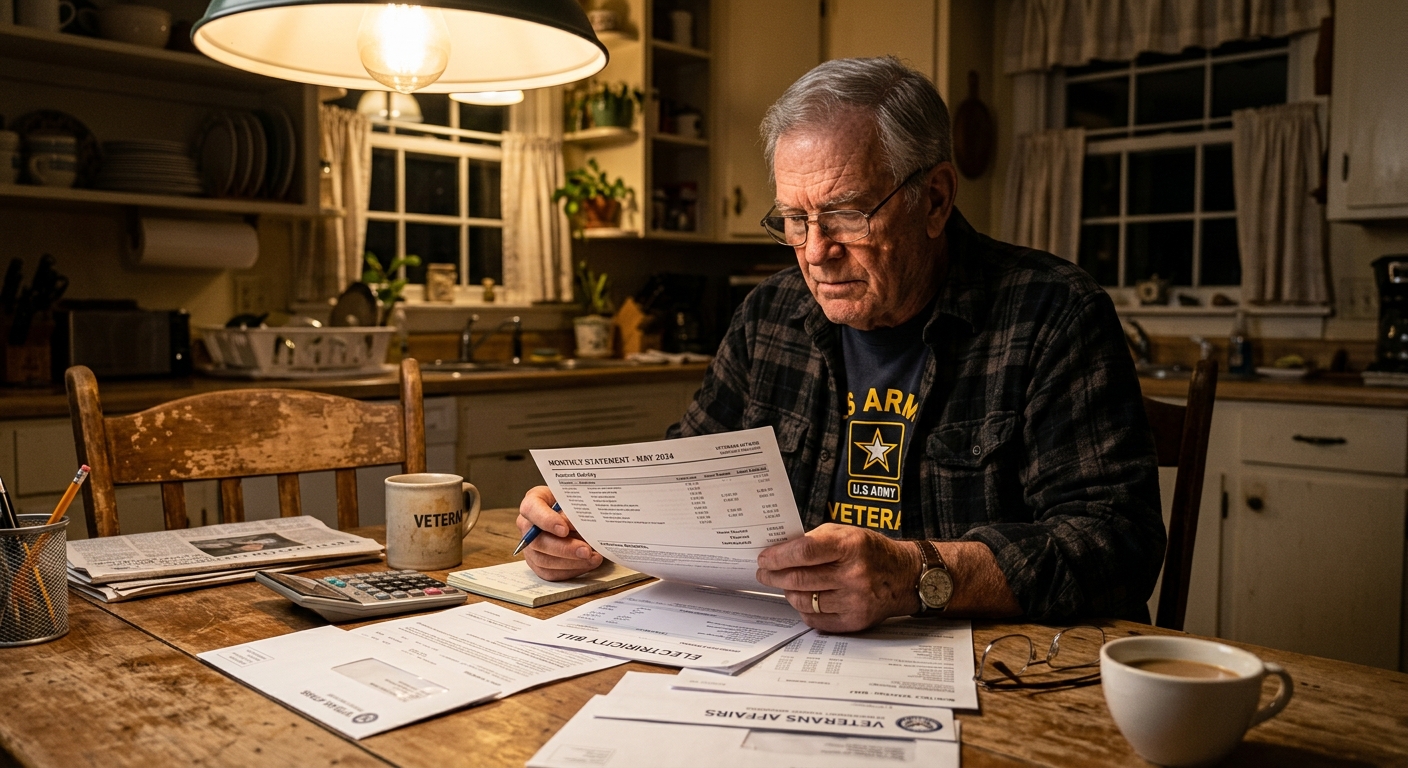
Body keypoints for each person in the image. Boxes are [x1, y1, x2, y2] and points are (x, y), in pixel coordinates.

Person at [517, 56, 1165, 633]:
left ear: (934, 198)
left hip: (1001, 672)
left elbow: (1115, 546)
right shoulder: (770, 315)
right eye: (795, 219)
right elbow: (687, 472)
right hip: (784, 653)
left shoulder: (1051, 312)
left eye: (848, 213)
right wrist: (584, 521)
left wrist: (914, 576)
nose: (816, 252)